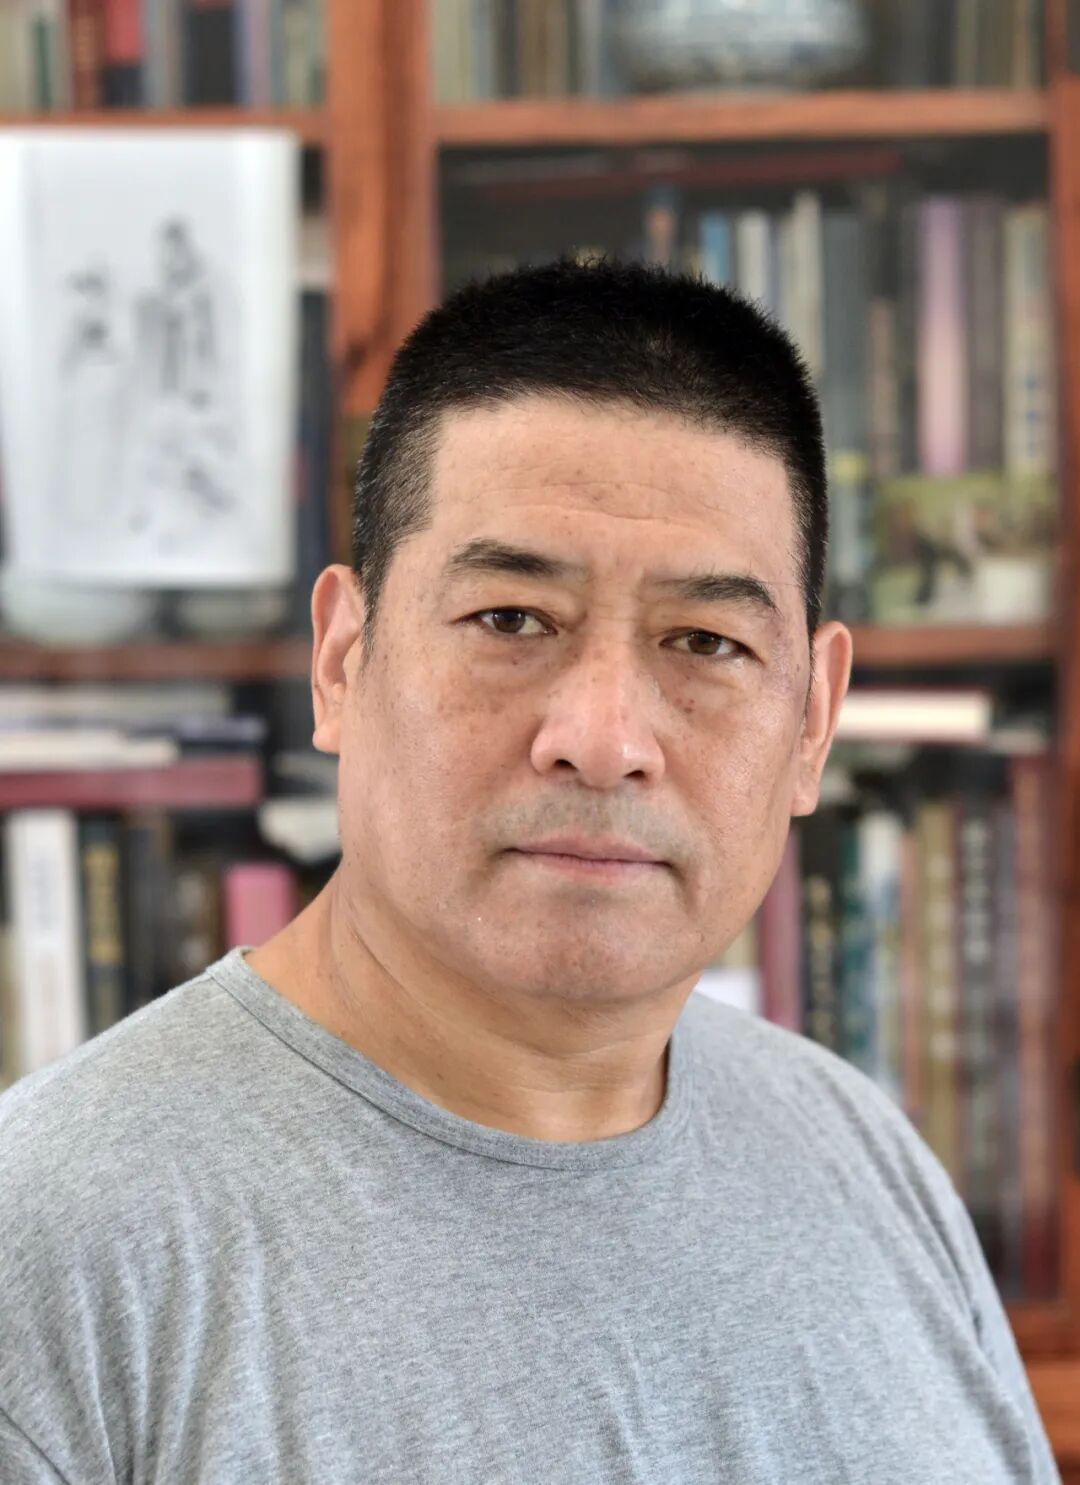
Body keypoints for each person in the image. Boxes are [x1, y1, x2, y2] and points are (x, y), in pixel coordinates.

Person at [0, 260, 1060, 1484]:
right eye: (510, 620)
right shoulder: (53, 1249)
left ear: (813, 720)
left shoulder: (865, 1158)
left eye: (706, 641)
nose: (603, 739)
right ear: (342, 661)